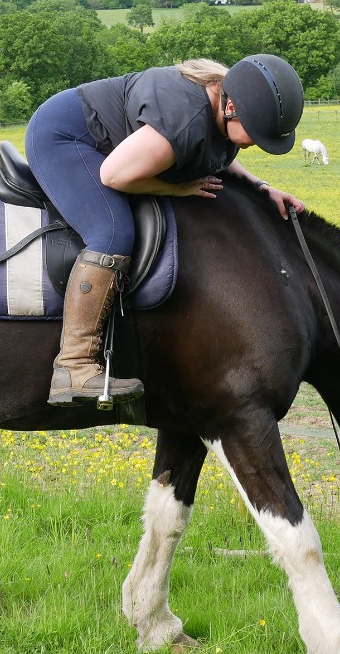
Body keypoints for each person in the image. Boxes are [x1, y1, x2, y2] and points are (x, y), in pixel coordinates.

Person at [25, 53, 307, 408]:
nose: (255, 143)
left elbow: (221, 151)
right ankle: (74, 365)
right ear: (231, 106)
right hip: (66, 137)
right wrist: (175, 189)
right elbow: (114, 176)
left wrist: (262, 187)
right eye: (256, 133)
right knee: (111, 232)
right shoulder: (185, 118)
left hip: (114, 143)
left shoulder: (221, 105)